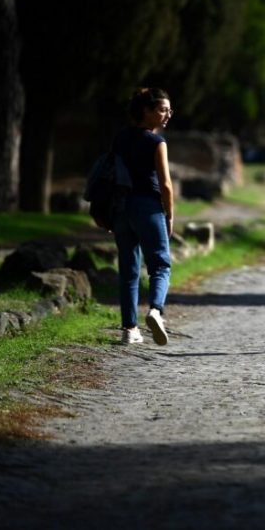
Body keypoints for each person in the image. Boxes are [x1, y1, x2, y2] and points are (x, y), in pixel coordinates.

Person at [111, 87, 174, 345]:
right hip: (148, 207)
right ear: (146, 111)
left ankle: (129, 329)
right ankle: (156, 310)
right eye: (162, 110)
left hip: (121, 207)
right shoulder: (156, 142)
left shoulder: (120, 138)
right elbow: (165, 184)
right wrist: (169, 215)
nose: (167, 115)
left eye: (169, 110)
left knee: (128, 269)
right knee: (160, 265)